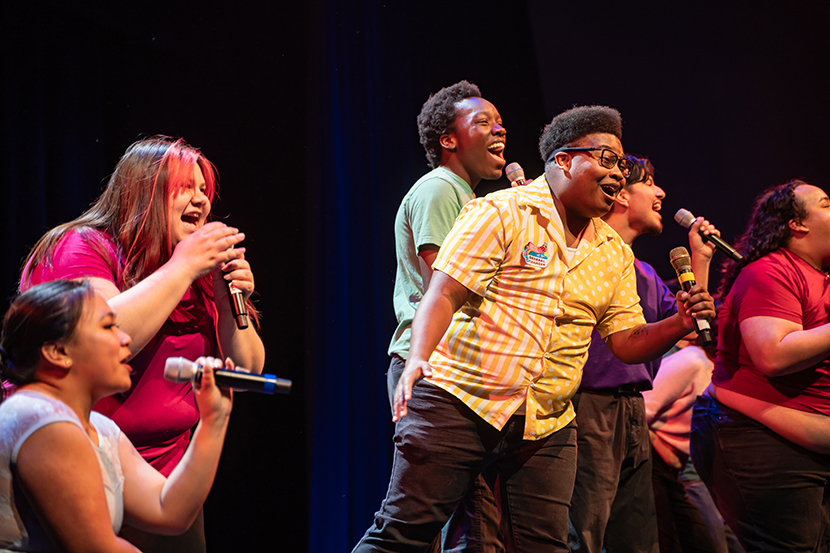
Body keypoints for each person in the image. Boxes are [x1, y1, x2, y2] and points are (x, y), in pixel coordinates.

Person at [352, 105, 715, 552]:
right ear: (563, 160)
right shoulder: (501, 212)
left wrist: (677, 323)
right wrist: (418, 358)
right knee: (404, 532)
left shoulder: (612, 253)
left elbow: (625, 341)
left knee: (545, 545)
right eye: (605, 159)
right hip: (462, 400)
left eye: (620, 164)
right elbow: (444, 293)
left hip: (547, 422)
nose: (618, 174)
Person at [18, 136, 265, 551]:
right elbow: (110, 335)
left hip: (166, 478)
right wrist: (183, 267)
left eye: (204, 190)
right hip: (77, 465)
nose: (201, 201)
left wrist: (225, 301)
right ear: (144, 191)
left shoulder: (197, 271)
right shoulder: (84, 247)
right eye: (186, 187)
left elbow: (247, 373)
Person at [0, 279, 232, 552]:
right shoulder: (39, 416)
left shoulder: (100, 429)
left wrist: (214, 420)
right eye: (109, 326)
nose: (126, 339)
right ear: (58, 351)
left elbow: (168, 510)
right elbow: (95, 547)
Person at [568, 156, 718, 553]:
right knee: (586, 531)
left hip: (631, 408)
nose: (660, 192)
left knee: (636, 537)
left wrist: (699, 260)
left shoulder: (645, 272)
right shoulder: (585, 254)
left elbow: (684, 326)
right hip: (589, 405)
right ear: (618, 195)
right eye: (649, 183)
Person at [387, 80, 506, 553]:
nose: (499, 130)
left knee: (472, 527)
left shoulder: (473, 200)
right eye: (483, 122)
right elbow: (445, 284)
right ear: (448, 140)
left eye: (500, 122)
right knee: (432, 527)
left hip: (461, 371)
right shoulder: (440, 189)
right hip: (437, 370)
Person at [691, 180, 830, 552]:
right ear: (796, 224)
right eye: (826, 204)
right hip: (762, 443)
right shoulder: (770, 271)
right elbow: (774, 353)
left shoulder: (820, 278)